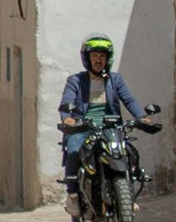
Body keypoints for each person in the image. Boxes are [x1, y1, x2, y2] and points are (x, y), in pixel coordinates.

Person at [60, 34, 151, 190]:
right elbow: (67, 102)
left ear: (108, 59)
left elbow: (129, 100)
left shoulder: (115, 80)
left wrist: (141, 117)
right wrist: (68, 119)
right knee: (74, 148)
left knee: (128, 151)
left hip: (110, 128)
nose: (98, 60)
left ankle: (127, 192)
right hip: (84, 128)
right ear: (87, 58)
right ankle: (73, 193)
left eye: (102, 56)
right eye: (94, 55)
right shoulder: (75, 81)